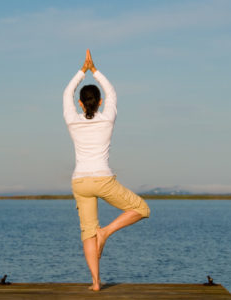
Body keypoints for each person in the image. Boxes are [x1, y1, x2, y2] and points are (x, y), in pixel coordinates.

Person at [63, 49, 150, 291]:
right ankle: (107, 232)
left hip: (80, 182)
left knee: (87, 232)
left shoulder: (72, 119)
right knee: (141, 208)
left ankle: (95, 283)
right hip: (102, 179)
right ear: (100, 102)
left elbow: (66, 93)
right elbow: (111, 91)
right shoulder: (108, 118)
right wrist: (95, 70)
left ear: (80, 103)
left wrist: (82, 71)